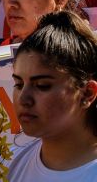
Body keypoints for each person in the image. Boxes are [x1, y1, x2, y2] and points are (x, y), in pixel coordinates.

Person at [8, 11, 97, 181]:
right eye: (19, 84)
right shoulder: (15, 162)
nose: (23, 99)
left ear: (87, 93)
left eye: (42, 86)